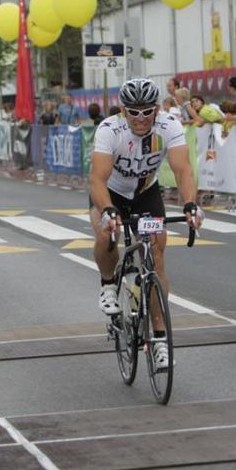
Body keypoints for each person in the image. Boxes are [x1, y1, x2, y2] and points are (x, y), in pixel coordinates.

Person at [90, 78, 203, 370]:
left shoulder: (169, 126)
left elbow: (183, 170)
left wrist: (190, 204)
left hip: (145, 193)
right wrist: (108, 210)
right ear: (123, 111)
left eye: (147, 111)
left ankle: (160, 339)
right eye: (133, 112)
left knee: (156, 258)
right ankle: (108, 284)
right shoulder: (109, 129)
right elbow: (97, 179)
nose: (140, 118)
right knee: (105, 234)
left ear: (157, 110)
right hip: (112, 192)